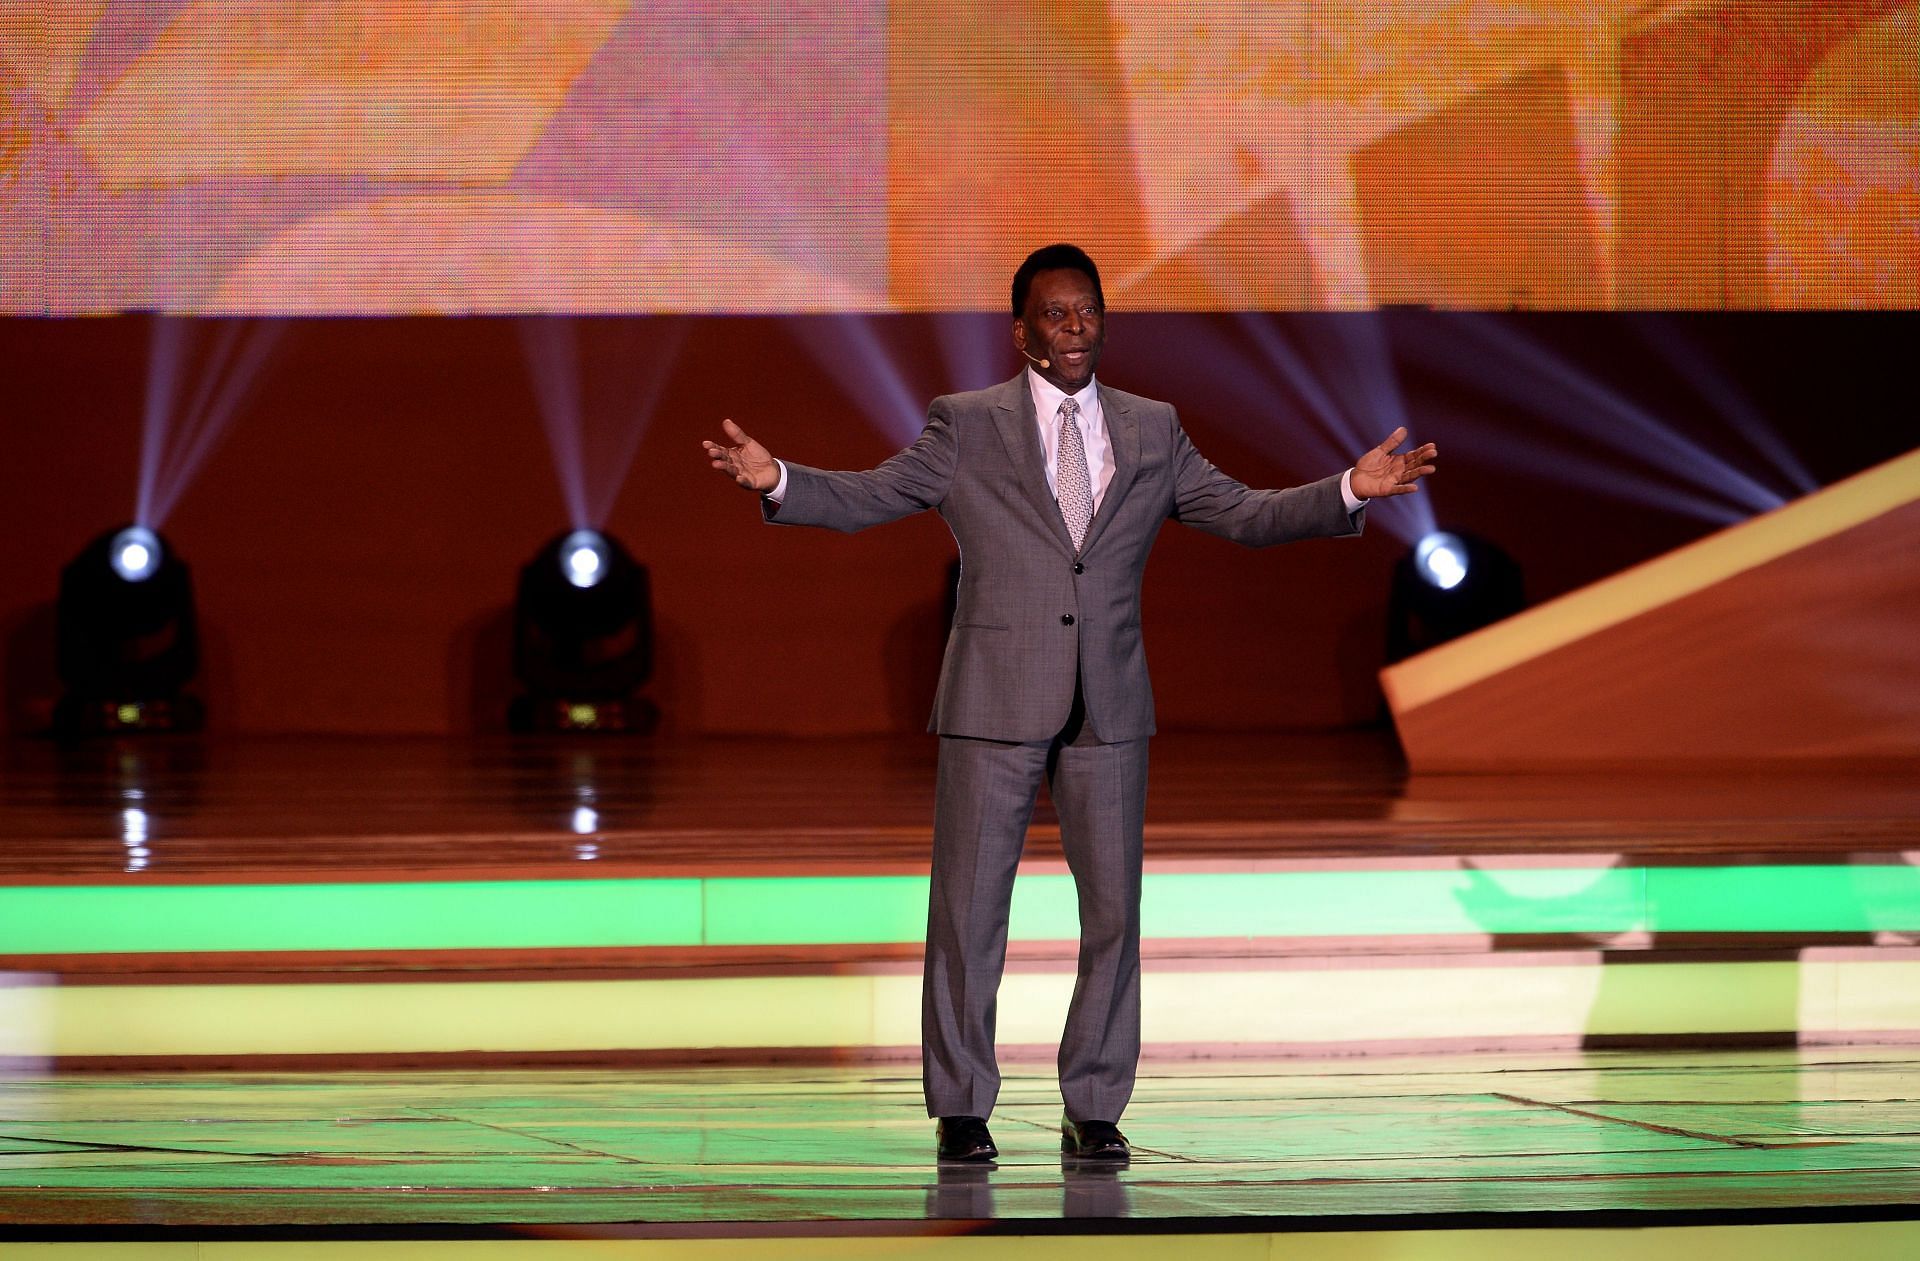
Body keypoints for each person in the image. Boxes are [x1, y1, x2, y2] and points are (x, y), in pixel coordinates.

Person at [703, 244, 1437, 1163]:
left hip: (1110, 705)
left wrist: (1344, 490)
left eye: (1089, 310)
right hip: (994, 697)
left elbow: (1243, 512)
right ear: (1023, 333)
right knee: (968, 912)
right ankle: (962, 1105)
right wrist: (779, 480)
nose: (1077, 325)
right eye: (1056, 313)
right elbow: (874, 494)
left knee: (1114, 916)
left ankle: (1094, 1101)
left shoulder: (1151, 427)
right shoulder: (966, 424)